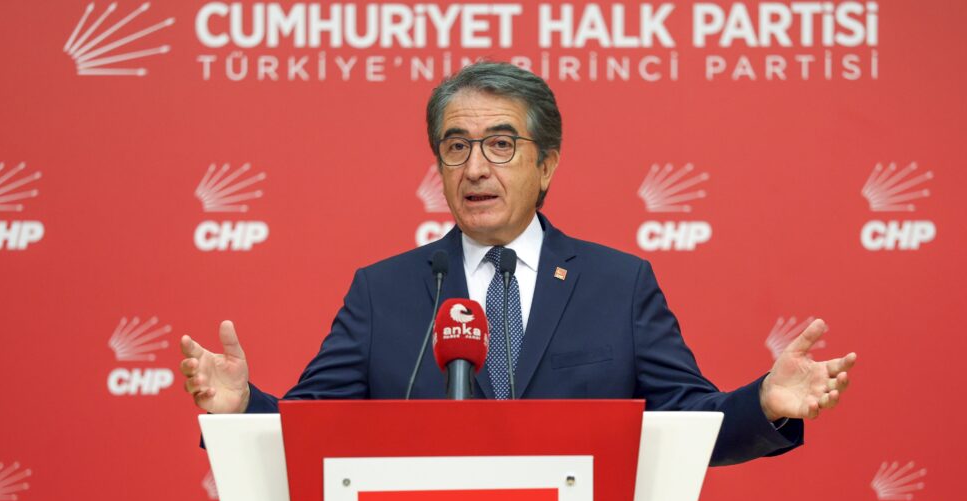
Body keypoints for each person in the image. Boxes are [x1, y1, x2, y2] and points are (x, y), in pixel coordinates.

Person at [179, 62, 856, 465]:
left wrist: (765, 403)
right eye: (456, 147)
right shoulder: (384, 292)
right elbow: (309, 430)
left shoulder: (618, 285)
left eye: (500, 145)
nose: (475, 168)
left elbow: (689, 423)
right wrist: (241, 409)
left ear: (547, 164)